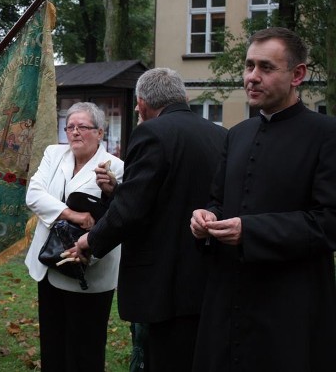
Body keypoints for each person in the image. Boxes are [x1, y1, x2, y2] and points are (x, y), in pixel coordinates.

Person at [190, 27, 336, 371]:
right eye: (248, 66)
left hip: (290, 307)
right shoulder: (237, 134)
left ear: (297, 74)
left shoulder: (326, 135)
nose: (252, 78)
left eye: (266, 68)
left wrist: (250, 231)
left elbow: (330, 222)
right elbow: (218, 200)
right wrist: (205, 219)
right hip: (227, 301)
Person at [73, 68, 227, 371]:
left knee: (160, 358)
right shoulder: (220, 134)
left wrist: (90, 240)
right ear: (183, 97)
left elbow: (132, 209)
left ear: (141, 104)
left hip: (162, 281)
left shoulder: (151, 133)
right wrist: (117, 189)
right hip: (206, 275)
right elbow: (170, 194)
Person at [24, 102, 125, 372]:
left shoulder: (115, 168)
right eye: (70, 127)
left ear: (100, 132)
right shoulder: (54, 154)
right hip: (49, 263)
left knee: (85, 350)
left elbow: (118, 215)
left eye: (83, 127)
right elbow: (33, 195)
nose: (75, 133)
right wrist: (72, 214)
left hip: (87, 272)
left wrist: (112, 191)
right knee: (53, 345)